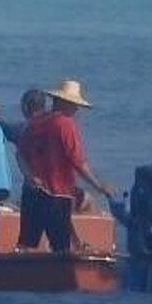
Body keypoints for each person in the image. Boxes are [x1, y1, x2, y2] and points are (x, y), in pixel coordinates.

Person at [15, 79, 118, 253]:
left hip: (32, 193)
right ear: (64, 103)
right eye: (75, 105)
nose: (77, 109)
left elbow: (20, 155)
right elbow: (78, 162)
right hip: (57, 195)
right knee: (60, 247)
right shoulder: (65, 124)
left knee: (26, 245)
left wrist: (29, 176)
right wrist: (99, 186)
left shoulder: (35, 122)